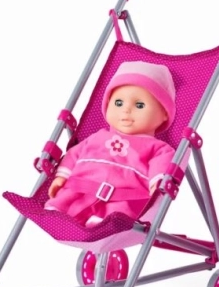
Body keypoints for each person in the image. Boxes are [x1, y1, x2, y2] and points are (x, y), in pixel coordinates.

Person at [45, 60, 177, 226]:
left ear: (164, 113)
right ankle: (59, 209)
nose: (126, 110)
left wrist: (157, 186)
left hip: (124, 197)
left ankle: (102, 223)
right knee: (68, 197)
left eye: (139, 105)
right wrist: (61, 177)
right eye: (118, 103)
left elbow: (161, 168)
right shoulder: (97, 137)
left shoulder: (159, 148)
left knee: (123, 210)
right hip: (81, 188)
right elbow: (73, 154)